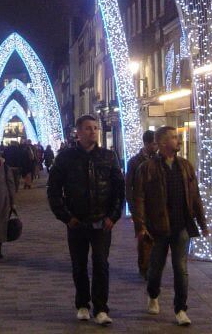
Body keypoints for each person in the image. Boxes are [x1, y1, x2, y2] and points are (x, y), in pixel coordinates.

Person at [48, 114, 124, 326]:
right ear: (78, 132)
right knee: (79, 265)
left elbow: (119, 189)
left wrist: (113, 216)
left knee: (101, 264)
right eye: (89, 128)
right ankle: (82, 304)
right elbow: (53, 190)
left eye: (96, 128)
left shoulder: (109, 157)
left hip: (102, 221)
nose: (93, 132)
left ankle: (101, 308)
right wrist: (66, 217)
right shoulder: (65, 158)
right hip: (77, 222)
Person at [133, 126, 208, 327]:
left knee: (180, 268)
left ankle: (181, 309)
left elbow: (195, 196)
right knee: (156, 267)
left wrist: (202, 222)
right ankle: (153, 294)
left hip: (181, 225)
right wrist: (140, 226)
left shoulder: (185, 166)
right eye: (174, 138)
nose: (178, 140)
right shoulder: (147, 168)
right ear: (163, 143)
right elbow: (138, 198)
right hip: (158, 227)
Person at [125, 129, 158, 279]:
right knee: (144, 238)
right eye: (154, 144)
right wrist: (132, 206)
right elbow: (128, 185)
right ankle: (145, 268)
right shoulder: (134, 161)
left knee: (157, 238)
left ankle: (154, 266)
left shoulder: (159, 160)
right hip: (141, 206)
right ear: (146, 144)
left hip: (156, 205)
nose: (156, 146)